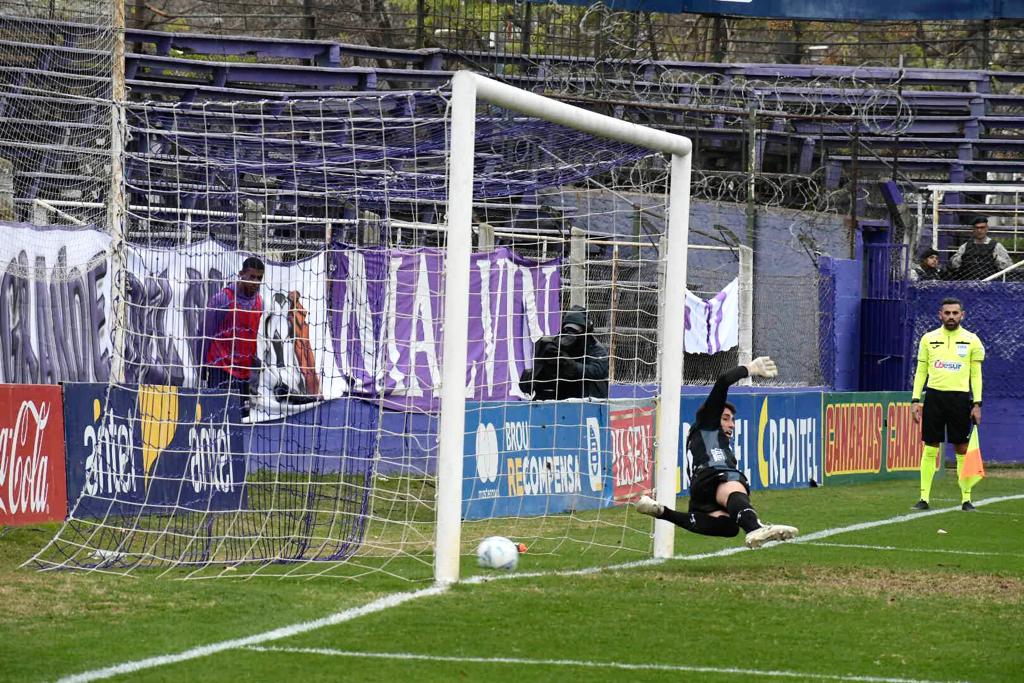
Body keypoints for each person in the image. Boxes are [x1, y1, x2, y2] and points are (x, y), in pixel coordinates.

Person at [635, 358, 799, 549]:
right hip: (713, 477)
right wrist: (749, 369)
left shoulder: (708, 440)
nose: (731, 424)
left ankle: (661, 512)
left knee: (729, 527)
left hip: (700, 493)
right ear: (712, 416)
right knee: (734, 484)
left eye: (732, 420)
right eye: (725, 418)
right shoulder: (707, 423)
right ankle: (755, 527)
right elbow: (723, 381)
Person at [910, 297, 985, 512]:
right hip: (934, 397)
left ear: (962, 315)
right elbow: (921, 371)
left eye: (955, 313)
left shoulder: (972, 340)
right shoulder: (928, 339)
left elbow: (976, 375)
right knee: (930, 446)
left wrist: (977, 403)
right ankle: (924, 498)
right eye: (947, 313)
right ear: (940, 315)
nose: (951, 316)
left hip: (960, 399)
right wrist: (916, 400)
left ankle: (966, 499)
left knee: (961, 447)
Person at [201, 256, 265, 393]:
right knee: (218, 413)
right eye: (252, 277)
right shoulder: (222, 299)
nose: (255, 282)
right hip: (220, 368)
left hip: (244, 372)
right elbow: (204, 334)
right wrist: (201, 367)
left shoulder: (260, 303)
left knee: (242, 414)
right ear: (241, 275)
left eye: (259, 278)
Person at [518, 306, 609, 400]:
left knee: (595, 382)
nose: (570, 334)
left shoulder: (595, 348)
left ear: (586, 329)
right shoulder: (554, 346)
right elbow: (529, 384)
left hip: (585, 397)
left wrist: (572, 366)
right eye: (568, 329)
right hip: (561, 394)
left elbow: (599, 371)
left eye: (575, 330)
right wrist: (542, 366)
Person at [948, 216, 1012, 280]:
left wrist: (997, 259)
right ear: (973, 229)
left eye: (982, 227)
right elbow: (953, 265)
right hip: (968, 284)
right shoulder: (965, 246)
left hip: (990, 284)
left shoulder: (996, 246)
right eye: (977, 228)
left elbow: (1008, 267)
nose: (979, 230)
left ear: (987, 228)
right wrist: (962, 257)